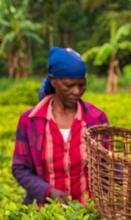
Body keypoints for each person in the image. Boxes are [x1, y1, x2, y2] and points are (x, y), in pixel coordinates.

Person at [12, 47, 109, 207]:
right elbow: (20, 168)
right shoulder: (30, 121)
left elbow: (107, 166)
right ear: (53, 81)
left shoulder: (96, 119)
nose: (77, 92)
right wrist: (48, 192)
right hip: (46, 215)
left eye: (82, 85)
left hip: (88, 214)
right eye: (69, 86)